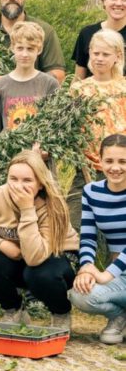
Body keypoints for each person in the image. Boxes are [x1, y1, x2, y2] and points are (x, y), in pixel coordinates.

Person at [0, 150, 78, 329]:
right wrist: (0, 244)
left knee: (37, 273)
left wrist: (27, 209)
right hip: (19, 260)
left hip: (55, 262)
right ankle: (14, 310)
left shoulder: (53, 206)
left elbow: (35, 257)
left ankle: (61, 312)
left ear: (40, 183)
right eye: (13, 179)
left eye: (27, 180)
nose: (18, 186)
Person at [68, 29, 126, 230]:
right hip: (88, 166)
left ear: (117, 56)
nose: (99, 58)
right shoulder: (79, 89)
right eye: (96, 53)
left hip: (120, 165)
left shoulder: (123, 87)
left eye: (105, 54)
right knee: (75, 222)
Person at [70, 134, 126, 343]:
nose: (115, 168)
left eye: (123, 161)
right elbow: (88, 236)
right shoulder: (91, 192)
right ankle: (119, 317)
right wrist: (86, 267)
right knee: (80, 294)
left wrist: (106, 275)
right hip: (121, 279)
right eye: (109, 161)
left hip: (114, 273)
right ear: (100, 161)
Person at [0, 22, 60, 137]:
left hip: (38, 153)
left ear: (39, 50)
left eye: (30, 49)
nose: (24, 54)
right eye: (20, 48)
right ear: (12, 48)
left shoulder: (50, 84)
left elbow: (56, 127)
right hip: (9, 153)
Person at [73, 0, 126, 80]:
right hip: (91, 94)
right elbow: (78, 79)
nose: (119, 3)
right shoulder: (87, 33)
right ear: (104, 1)